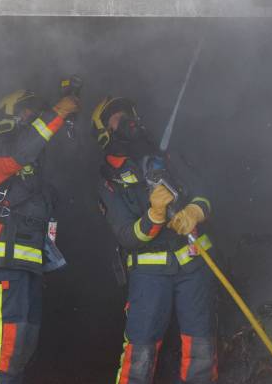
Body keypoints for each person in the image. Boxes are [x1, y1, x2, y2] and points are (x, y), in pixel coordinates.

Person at [91, 96, 217, 384]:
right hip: (149, 274)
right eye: (116, 117)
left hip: (193, 264)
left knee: (201, 348)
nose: (126, 119)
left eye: (128, 112)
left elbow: (204, 191)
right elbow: (126, 234)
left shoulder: (165, 154)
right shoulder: (108, 179)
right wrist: (155, 215)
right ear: (104, 132)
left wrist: (195, 211)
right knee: (141, 352)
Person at [0, 89, 79, 384]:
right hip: (3, 267)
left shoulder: (37, 167)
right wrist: (56, 113)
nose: (34, 117)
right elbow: (23, 150)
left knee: (20, 351)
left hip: (29, 270)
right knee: (2, 350)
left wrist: (68, 121)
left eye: (37, 112)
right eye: (26, 111)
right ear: (7, 116)